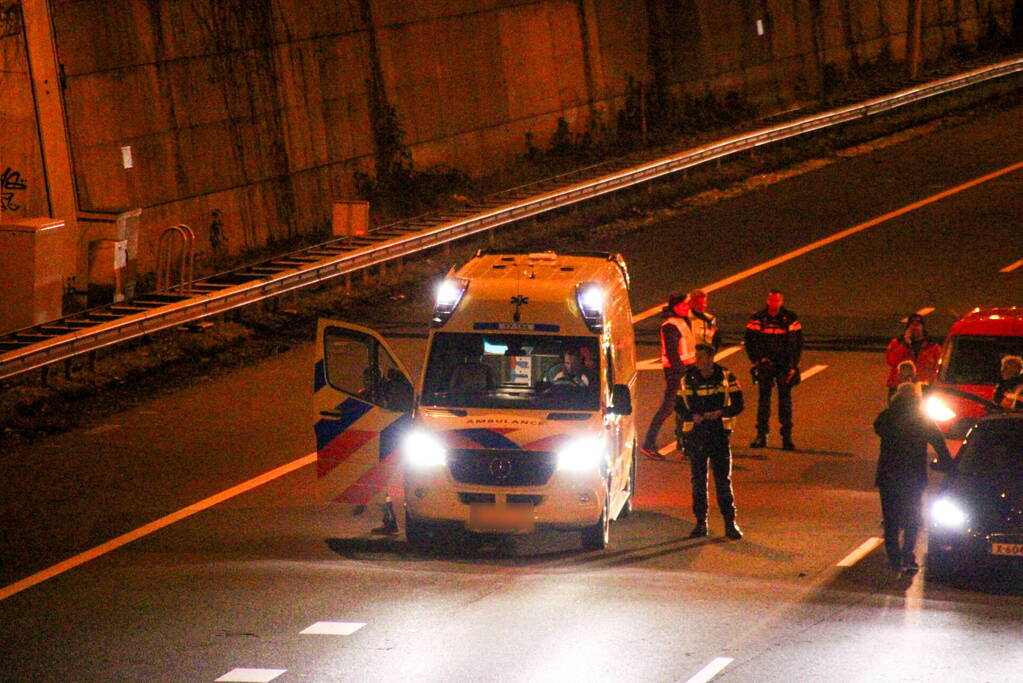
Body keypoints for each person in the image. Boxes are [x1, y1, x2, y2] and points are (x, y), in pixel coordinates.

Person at [873, 383, 954, 574]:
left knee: (891, 519)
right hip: (913, 476)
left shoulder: (887, 416)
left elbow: (878, 428)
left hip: (888, 475)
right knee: (912, 518)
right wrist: (951, 468)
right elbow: (939, 444)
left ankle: (894, 559)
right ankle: (908, 555)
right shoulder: (922, 420)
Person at [676, 344, 745, 539]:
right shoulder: (688, 378)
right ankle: (700, 523)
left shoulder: (725, 376)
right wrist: (693, 415)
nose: (696, 360)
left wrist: (721, 413)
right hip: (697, 434)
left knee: (723, 480)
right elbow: (679, 406)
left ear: (710, 358)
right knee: (698, 481)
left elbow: (739, 403)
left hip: (718, 433)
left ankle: (730, 524)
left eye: (700, 357)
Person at [745, 289, 803, 450]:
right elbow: (749, 340)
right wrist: (757, 360)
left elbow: (797, 344)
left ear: (781, 301)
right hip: (765, 365)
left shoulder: (791, 318)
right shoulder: (758, 318)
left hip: (784, 365)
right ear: (767, 300)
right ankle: (761, 436)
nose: (774, 303)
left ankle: (787, 438)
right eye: (772, 300)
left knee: (785, 402)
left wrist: (793, 365)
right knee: (763, 401)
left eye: (777, 301)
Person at [641, 292, 695, 459]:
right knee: (668, 407)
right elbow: (672, 353)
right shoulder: (670, 325)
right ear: (675, 307)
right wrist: (682, 373)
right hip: (677, 372)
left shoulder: (682, 320)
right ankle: (648, 444)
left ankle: (685, 445)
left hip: (687, 369)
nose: (687, 308)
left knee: (686, 407)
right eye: (684, 305)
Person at [885, 313, 942, 396]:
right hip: (900, 386)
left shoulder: (932, 347)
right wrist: (905, 344)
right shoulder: (897, 343)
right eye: (912, 324)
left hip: (923, 388)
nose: (915, 327)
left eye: (918, 324)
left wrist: (934, 386)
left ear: (923, 327)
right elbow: (891, 361)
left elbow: (938, 368)